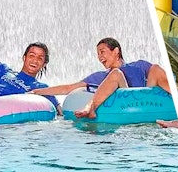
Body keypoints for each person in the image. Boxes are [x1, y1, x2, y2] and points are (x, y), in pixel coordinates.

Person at [32, 37, 170, 120]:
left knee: (156, 68)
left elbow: (159, 76)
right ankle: (90, 107)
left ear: (116, 51)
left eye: (102, 52)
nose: (100, 57)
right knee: (115, 73)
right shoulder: (101, 76)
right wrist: (37, 92)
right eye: (98, 54)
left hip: (147, 100)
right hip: (125, 104)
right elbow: (69, 88)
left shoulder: (139, 65)